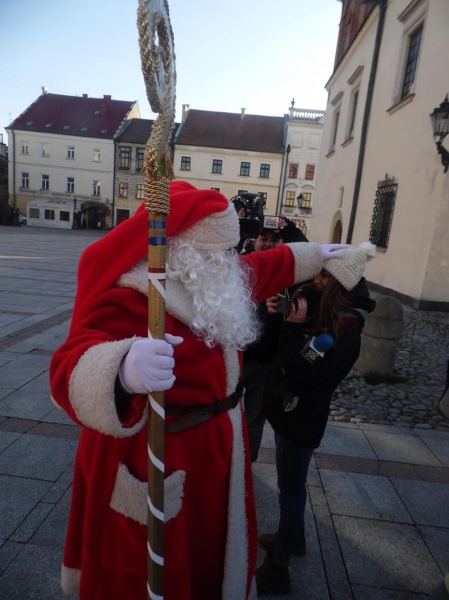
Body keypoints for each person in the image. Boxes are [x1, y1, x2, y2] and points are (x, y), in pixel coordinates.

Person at [49, 180, 345, 600]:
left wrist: (316, 255)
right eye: (219, 253)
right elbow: (67, 367)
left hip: (216, 454)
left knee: (210, 561)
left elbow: (260, 269)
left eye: (230, 251)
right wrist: (121, 368)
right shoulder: (137, 294)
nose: (230, 262)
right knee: (157, 573)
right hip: (161, 458)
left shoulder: (212, 276)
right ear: (179, 250)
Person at [256, 241, 377, 597]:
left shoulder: (343, 332)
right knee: (291, 488)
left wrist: (293, 328)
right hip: (294, 415)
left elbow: (298, 372)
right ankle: (294, 537)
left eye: (324, 275)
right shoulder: (329, 314)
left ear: (339, 283)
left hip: (301, 420)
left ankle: (278, 567)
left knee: (291, 493)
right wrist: (282, 314)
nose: (316, 280)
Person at [239, 217, 308, 463]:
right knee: (225, 415)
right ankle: (226, 463)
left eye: (274, 239)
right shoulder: (241, 263)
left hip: (266, 362)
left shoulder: (286, 272)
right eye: (263, 238)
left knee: (254, 419)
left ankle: (247, 466)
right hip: (237, 357)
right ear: (254, 240)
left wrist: (290, 230)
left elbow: (307, 254)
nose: (268, 244)